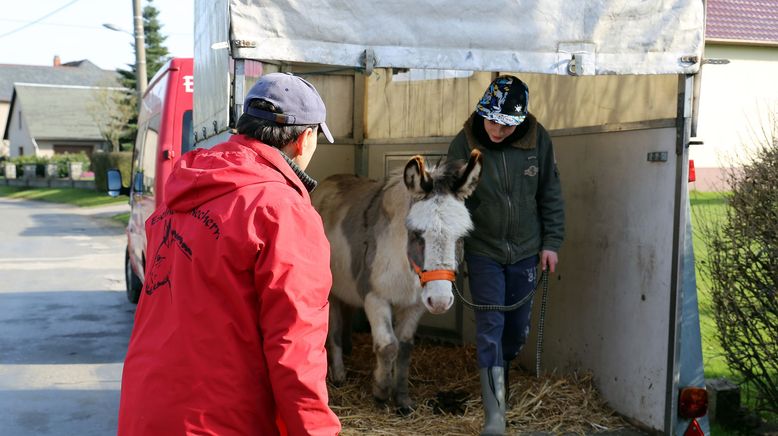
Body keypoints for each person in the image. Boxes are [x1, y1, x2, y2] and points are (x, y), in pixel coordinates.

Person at [118, 73, 341, 436]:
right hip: (219, 420)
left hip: (146, 407)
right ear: (305, 138)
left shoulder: (182, 190)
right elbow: (295, 350)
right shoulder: (281, 211)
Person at [446, 75, 564, 435]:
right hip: (483, 250)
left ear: (520, 121)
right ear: (483, 112)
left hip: (527, 249)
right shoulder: (463, 144)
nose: (498, 130)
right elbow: (448, 201)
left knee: (514, 332)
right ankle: (495, 416)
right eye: (493, 121)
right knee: (490, 327)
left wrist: (552, 243)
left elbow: (550, 193)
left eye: (507, 125)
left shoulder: (537, 140)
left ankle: (503, 374)